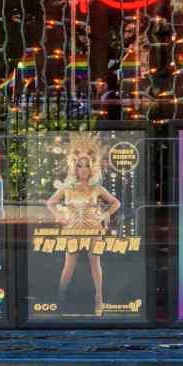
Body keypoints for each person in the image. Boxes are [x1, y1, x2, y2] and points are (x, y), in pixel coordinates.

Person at [46, 134, 121, 316]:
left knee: (95, 264)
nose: (84, 169)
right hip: (72, 228)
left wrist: (105, 214)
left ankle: (99, 300)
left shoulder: (97, 188)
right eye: (80, 166)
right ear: (75, 168)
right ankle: (60, 299)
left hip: (93, 228)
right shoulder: (67, 187)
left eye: (87, 165)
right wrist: (59, 216)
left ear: (91, 167)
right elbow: (50, 203)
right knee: (68, 266)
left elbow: (116, 203)